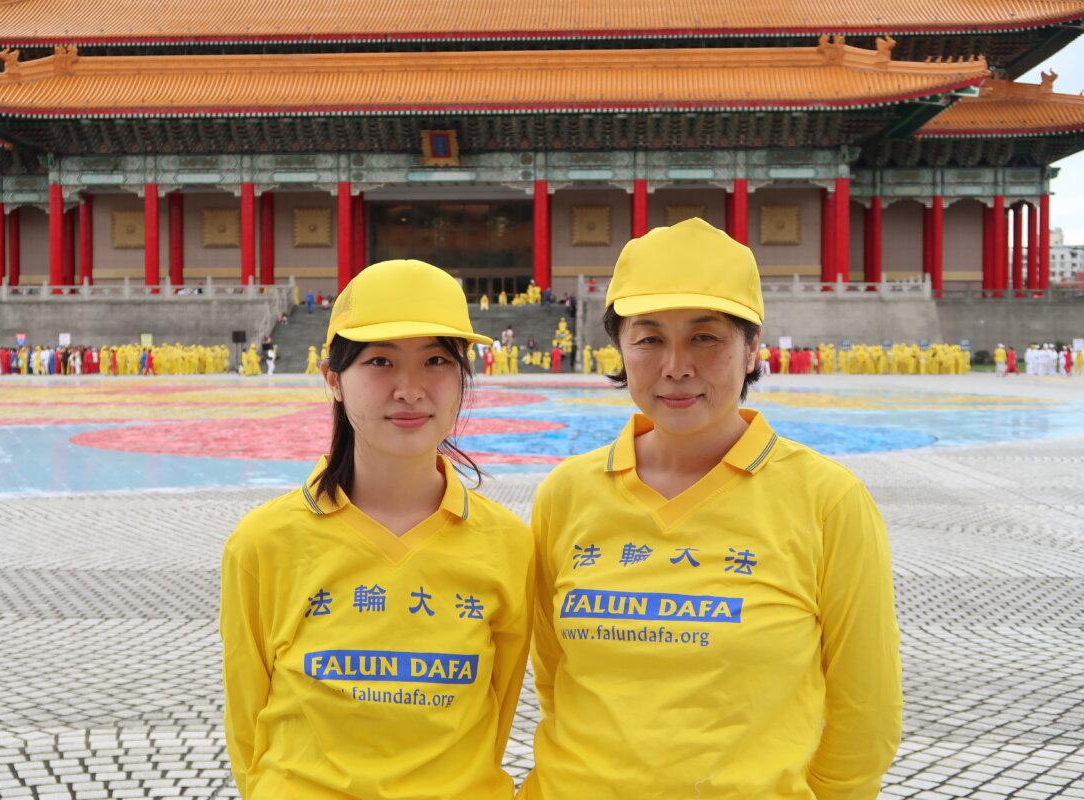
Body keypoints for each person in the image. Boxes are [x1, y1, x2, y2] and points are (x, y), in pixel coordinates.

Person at [521, 219, 902, 799]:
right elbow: (556, 675)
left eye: (706, 337)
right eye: (649, 338)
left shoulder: (827, 500)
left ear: (752, 350)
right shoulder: (567, 494)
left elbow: (865, 708)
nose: (676, 366)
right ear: (619, 348)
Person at [221, 259, 533, 799]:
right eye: (380, 362)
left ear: (463, 377)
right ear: (334, 380)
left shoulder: (509, 545)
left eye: (436, 360)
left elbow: (497, 709)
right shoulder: (265, 542)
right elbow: (248, 726)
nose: (410, 389)